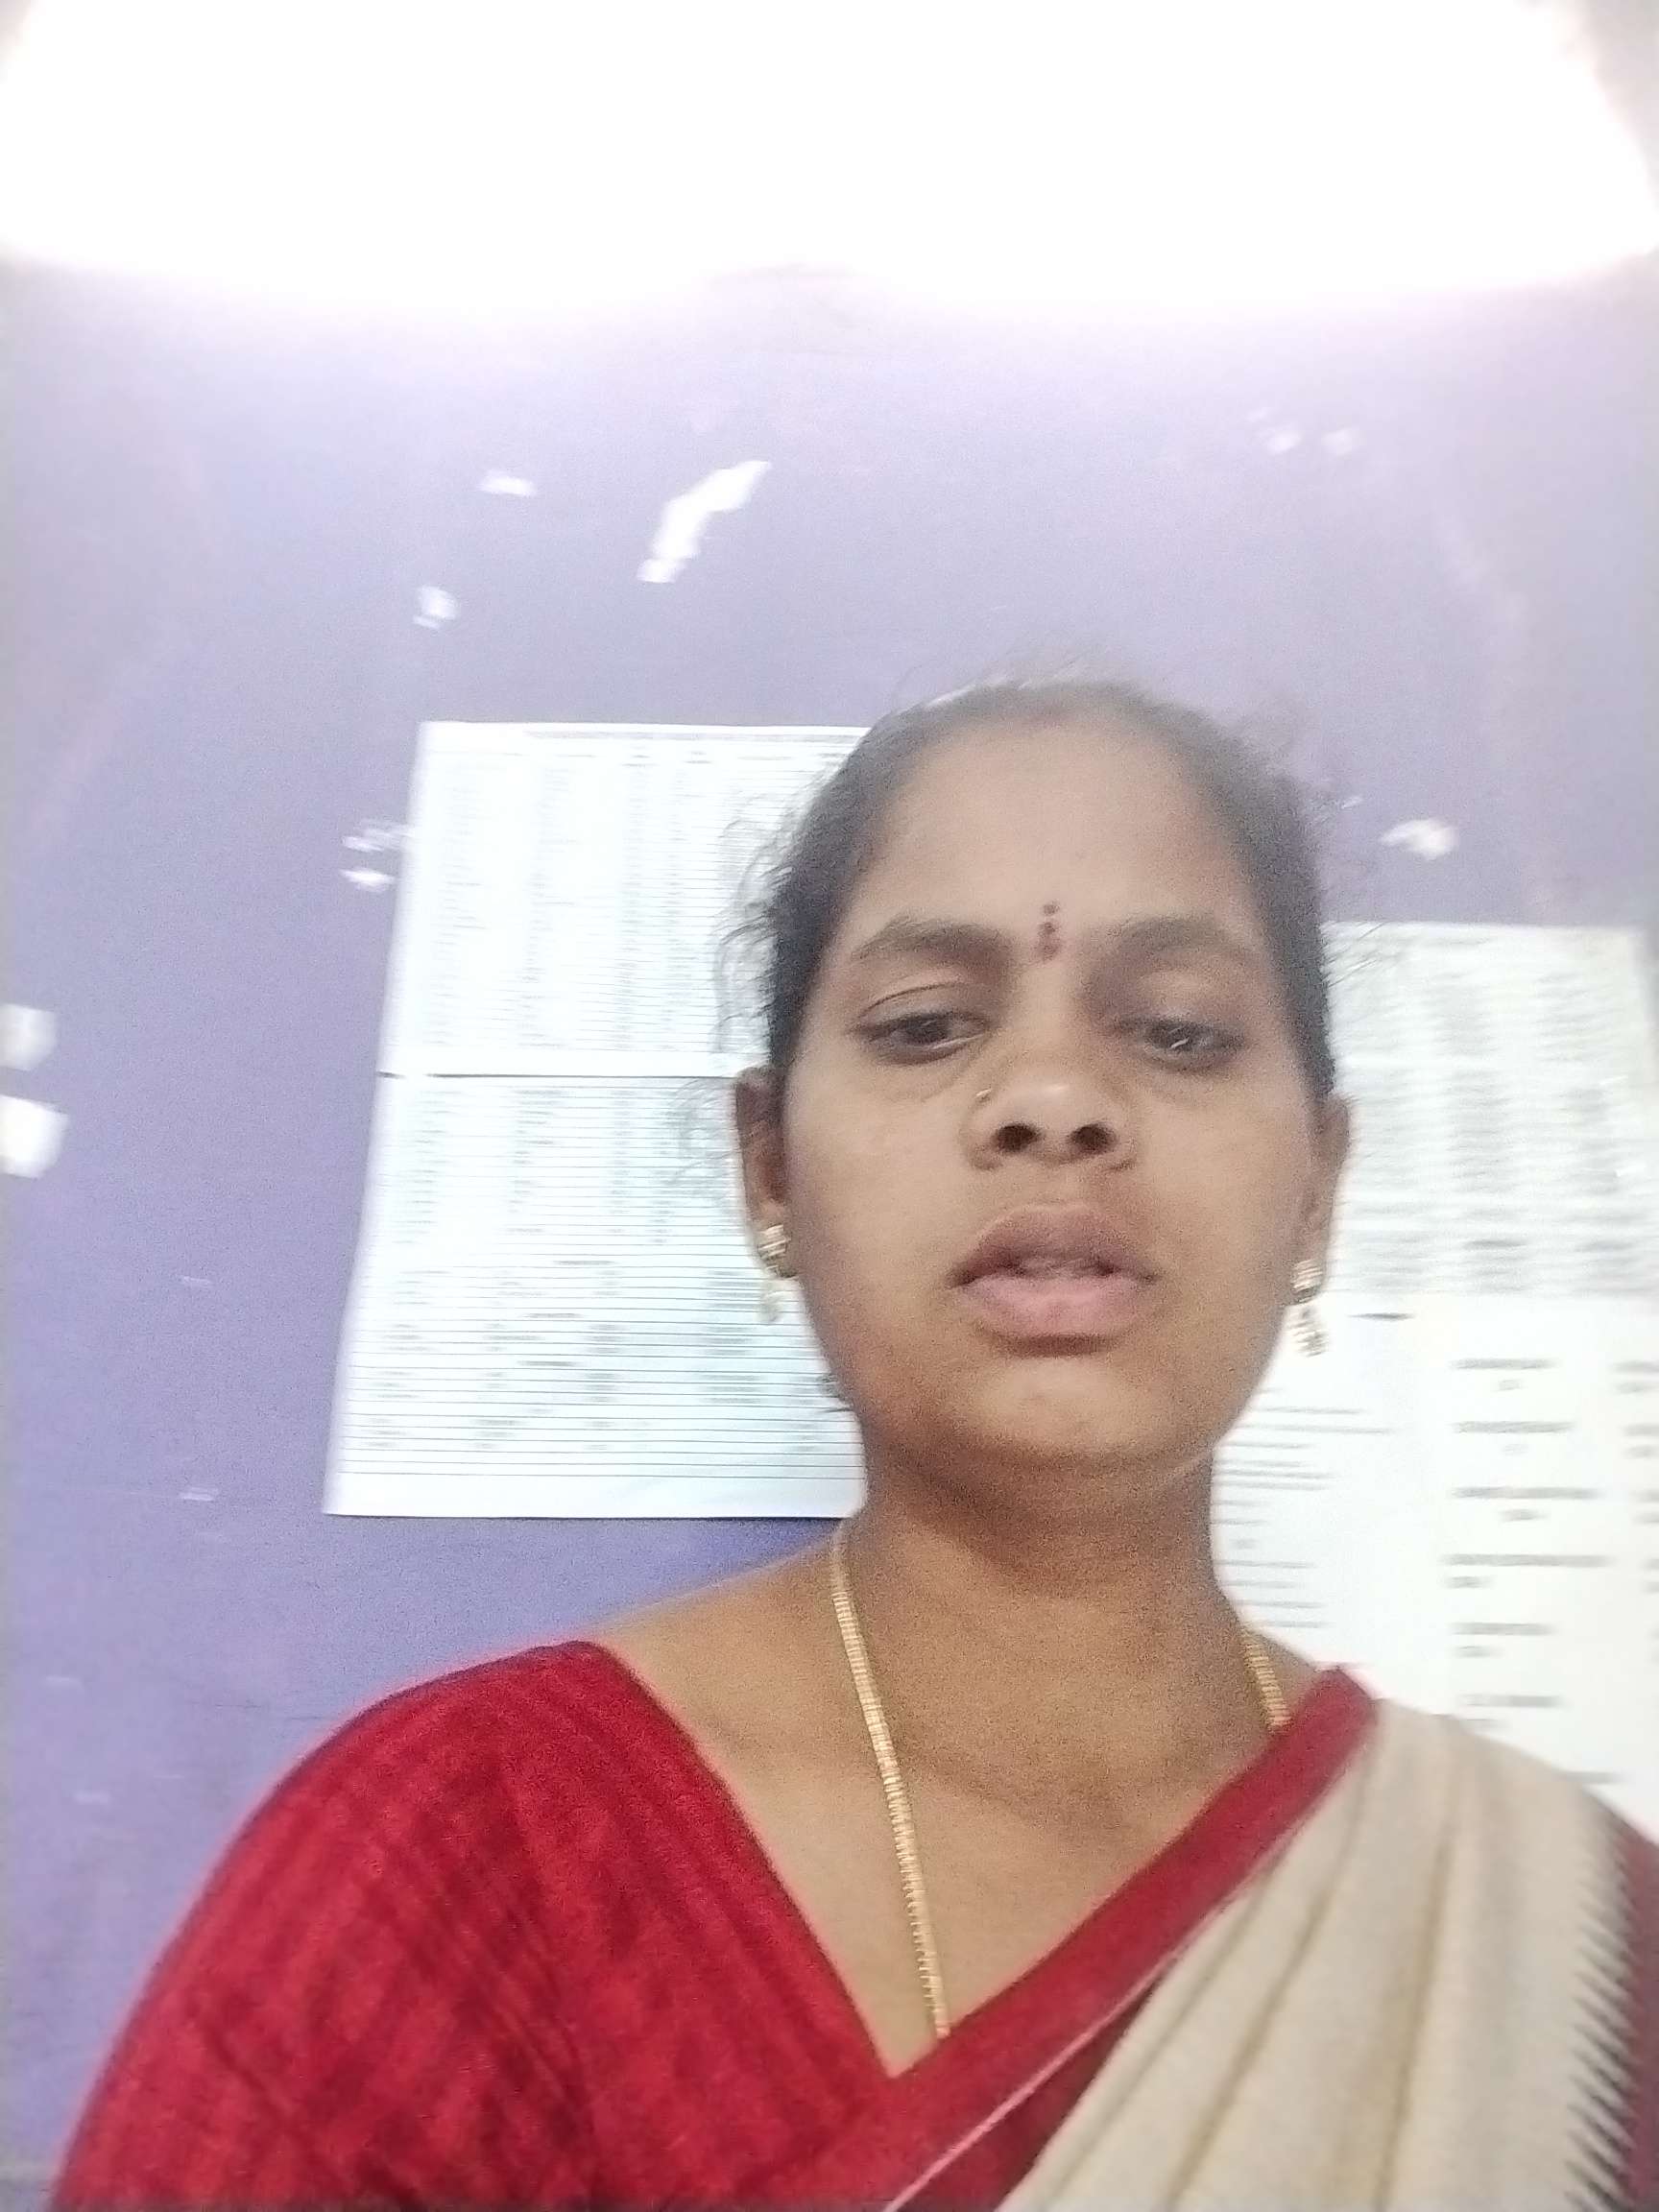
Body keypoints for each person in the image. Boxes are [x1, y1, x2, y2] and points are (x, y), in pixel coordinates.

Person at [57, 680, 1658, 2210]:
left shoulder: (1561, 1939)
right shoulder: (468, 1861)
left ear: (1318, 1183)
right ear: (769, 1170)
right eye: (925, 1024)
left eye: (1177, 1032)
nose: (1053, 1097)